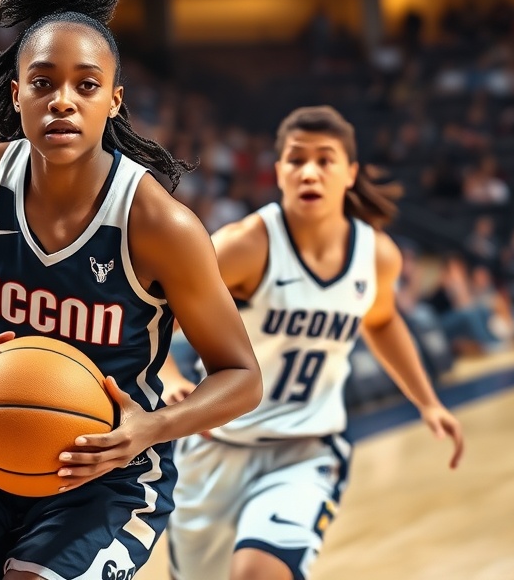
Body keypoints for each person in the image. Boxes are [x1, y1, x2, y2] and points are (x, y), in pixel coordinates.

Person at [0, 0, 261, 580]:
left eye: (86, 85)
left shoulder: (158, 224)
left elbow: (242, 377)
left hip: (107, 471)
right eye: (42, 83)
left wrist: (152, 428)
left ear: (114, 100)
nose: (62, 101)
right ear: (16, 93)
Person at [166, 106, 465, 580]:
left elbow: (382, 321)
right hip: (215, 448)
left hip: (307, 449)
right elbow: (154, 315)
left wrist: (427, 402)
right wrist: (169, 377)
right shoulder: (244, 245)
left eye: (325, 160)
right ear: (278, 171)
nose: (309, 172)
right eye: (296, 159)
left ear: (350, 173)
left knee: (257, 574)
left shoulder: (376, 256)